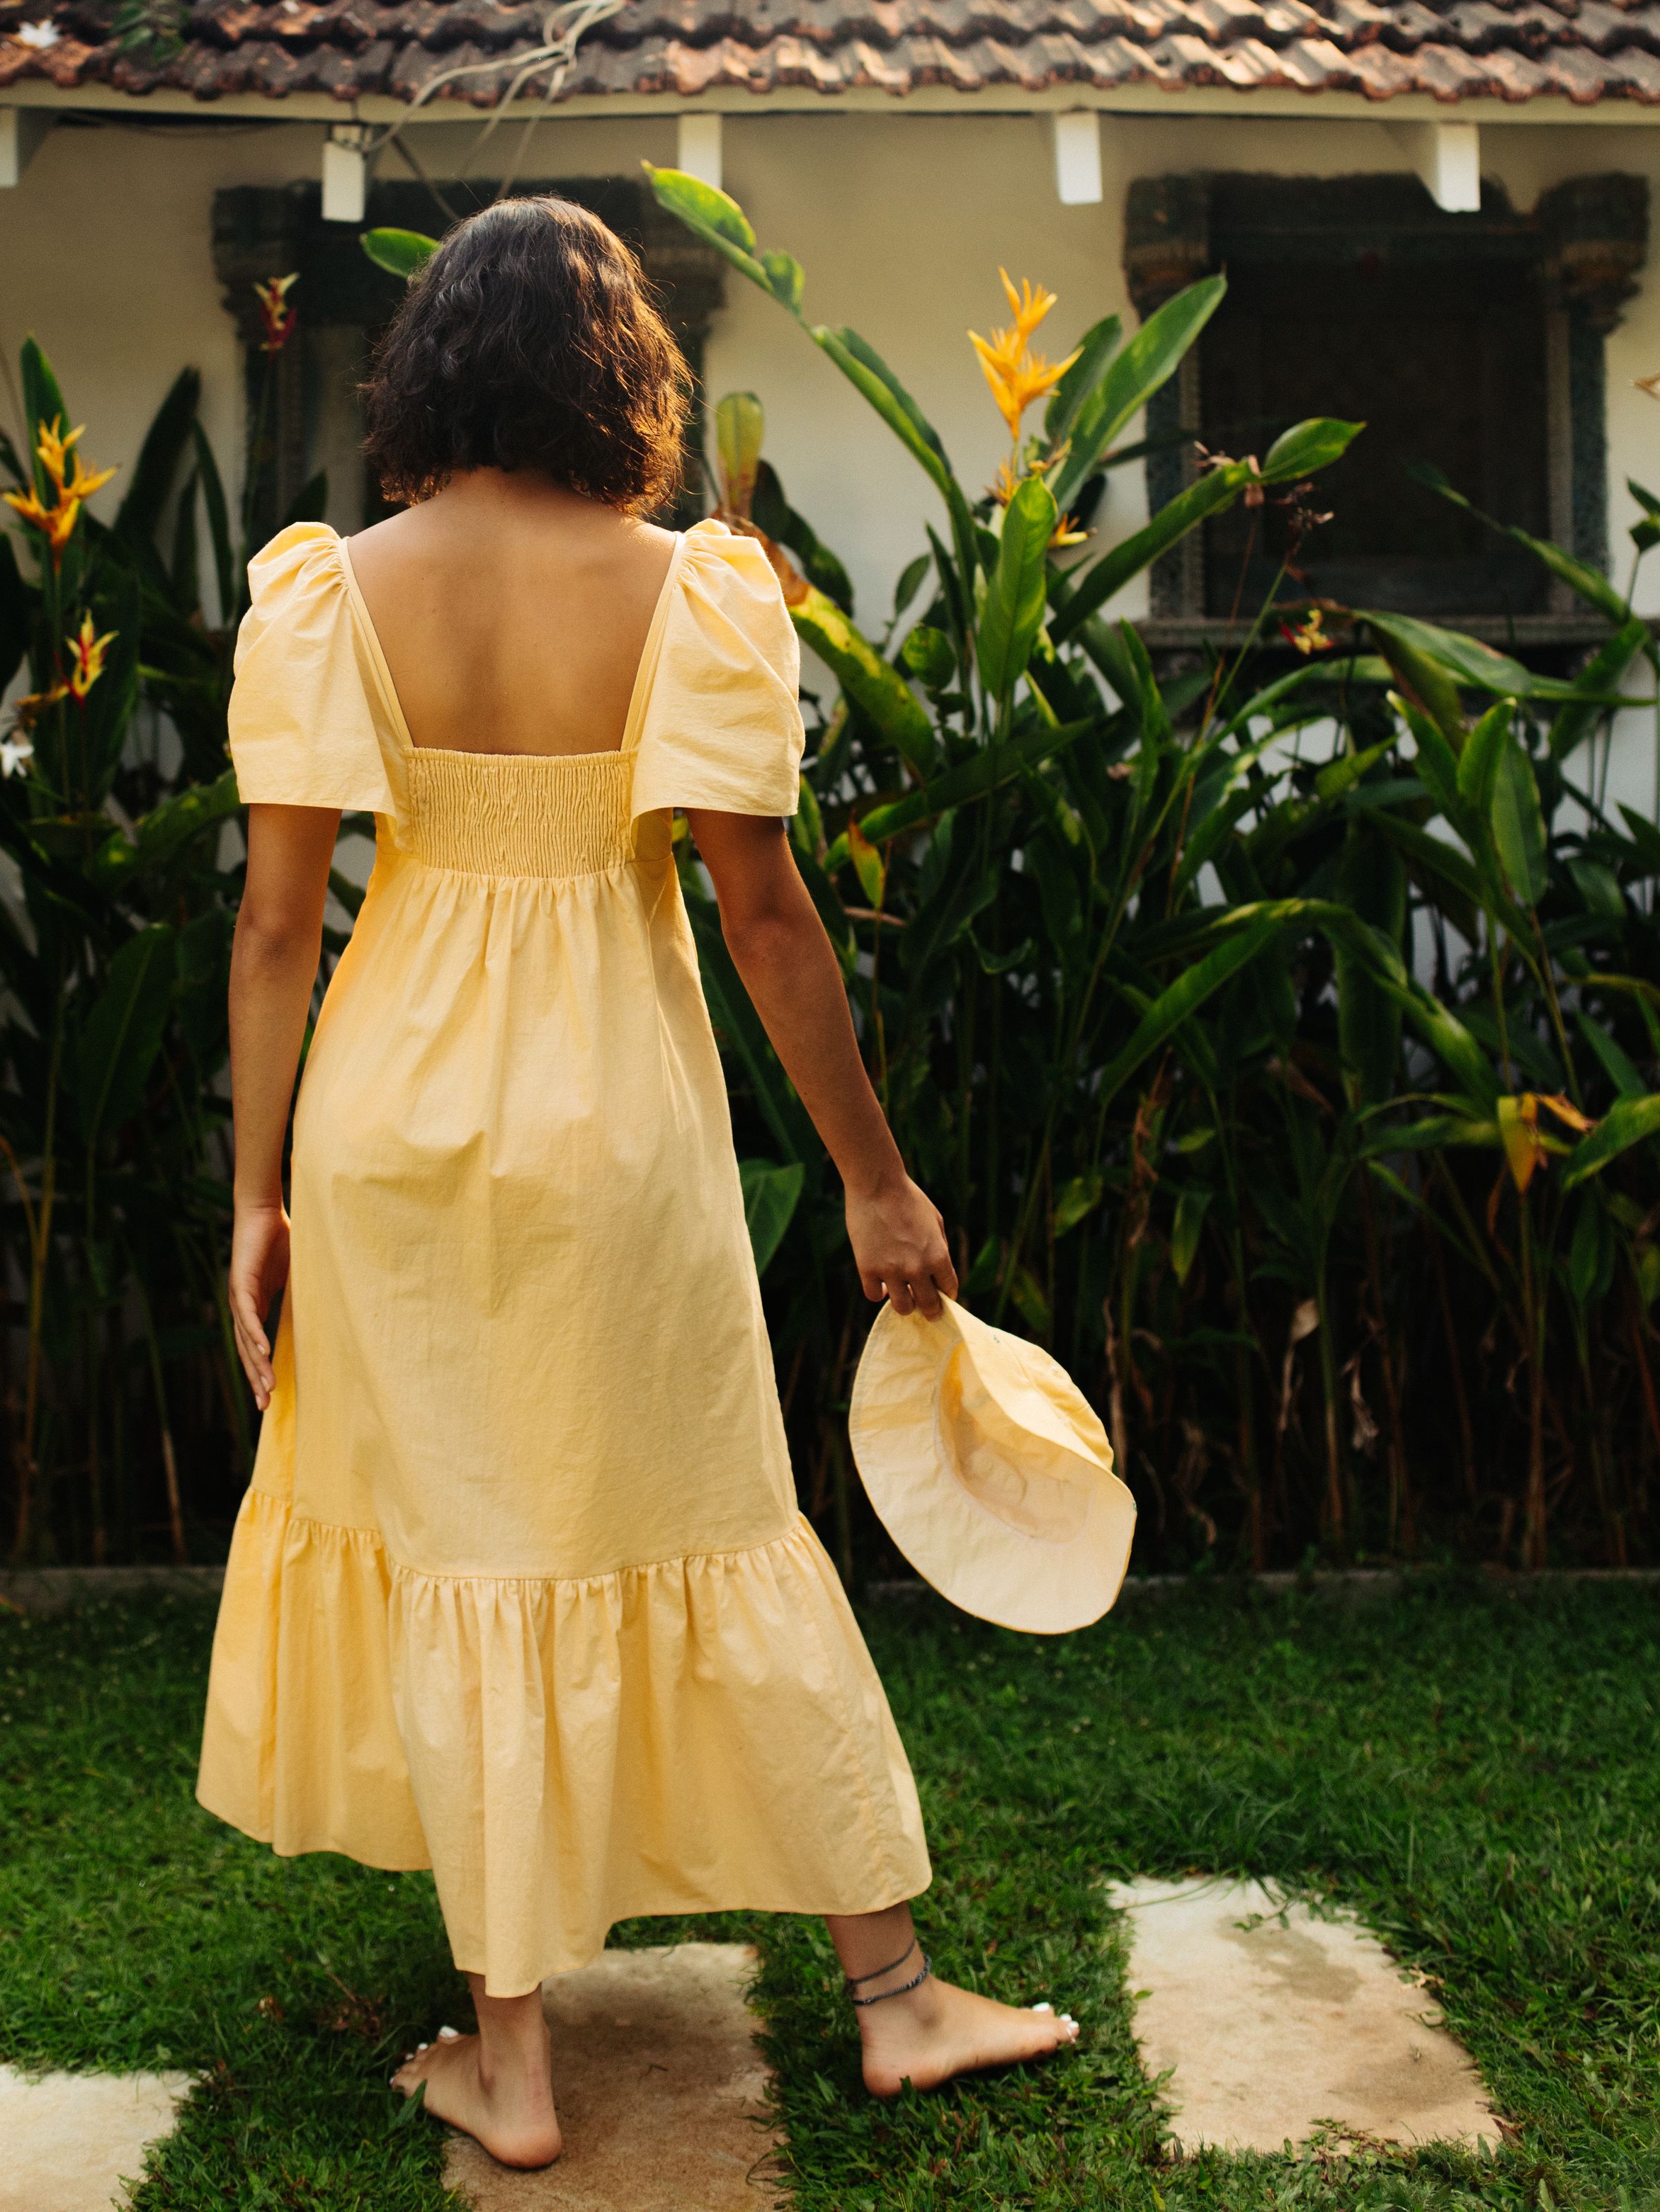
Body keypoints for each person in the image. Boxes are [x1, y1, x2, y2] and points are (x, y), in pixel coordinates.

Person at [196, 197, 1077, 2169]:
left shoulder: (332, 588)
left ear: (430, 366)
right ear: (623, 374)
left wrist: (252, 1194)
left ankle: (512, 2054)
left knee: (464, 1534)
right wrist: (876, 1178)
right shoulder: (696, 591)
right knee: (703, 1505)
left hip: (390, 1120)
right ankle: (897, 1992)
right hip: (617, 1116)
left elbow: (274, 927)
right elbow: (763, 914)